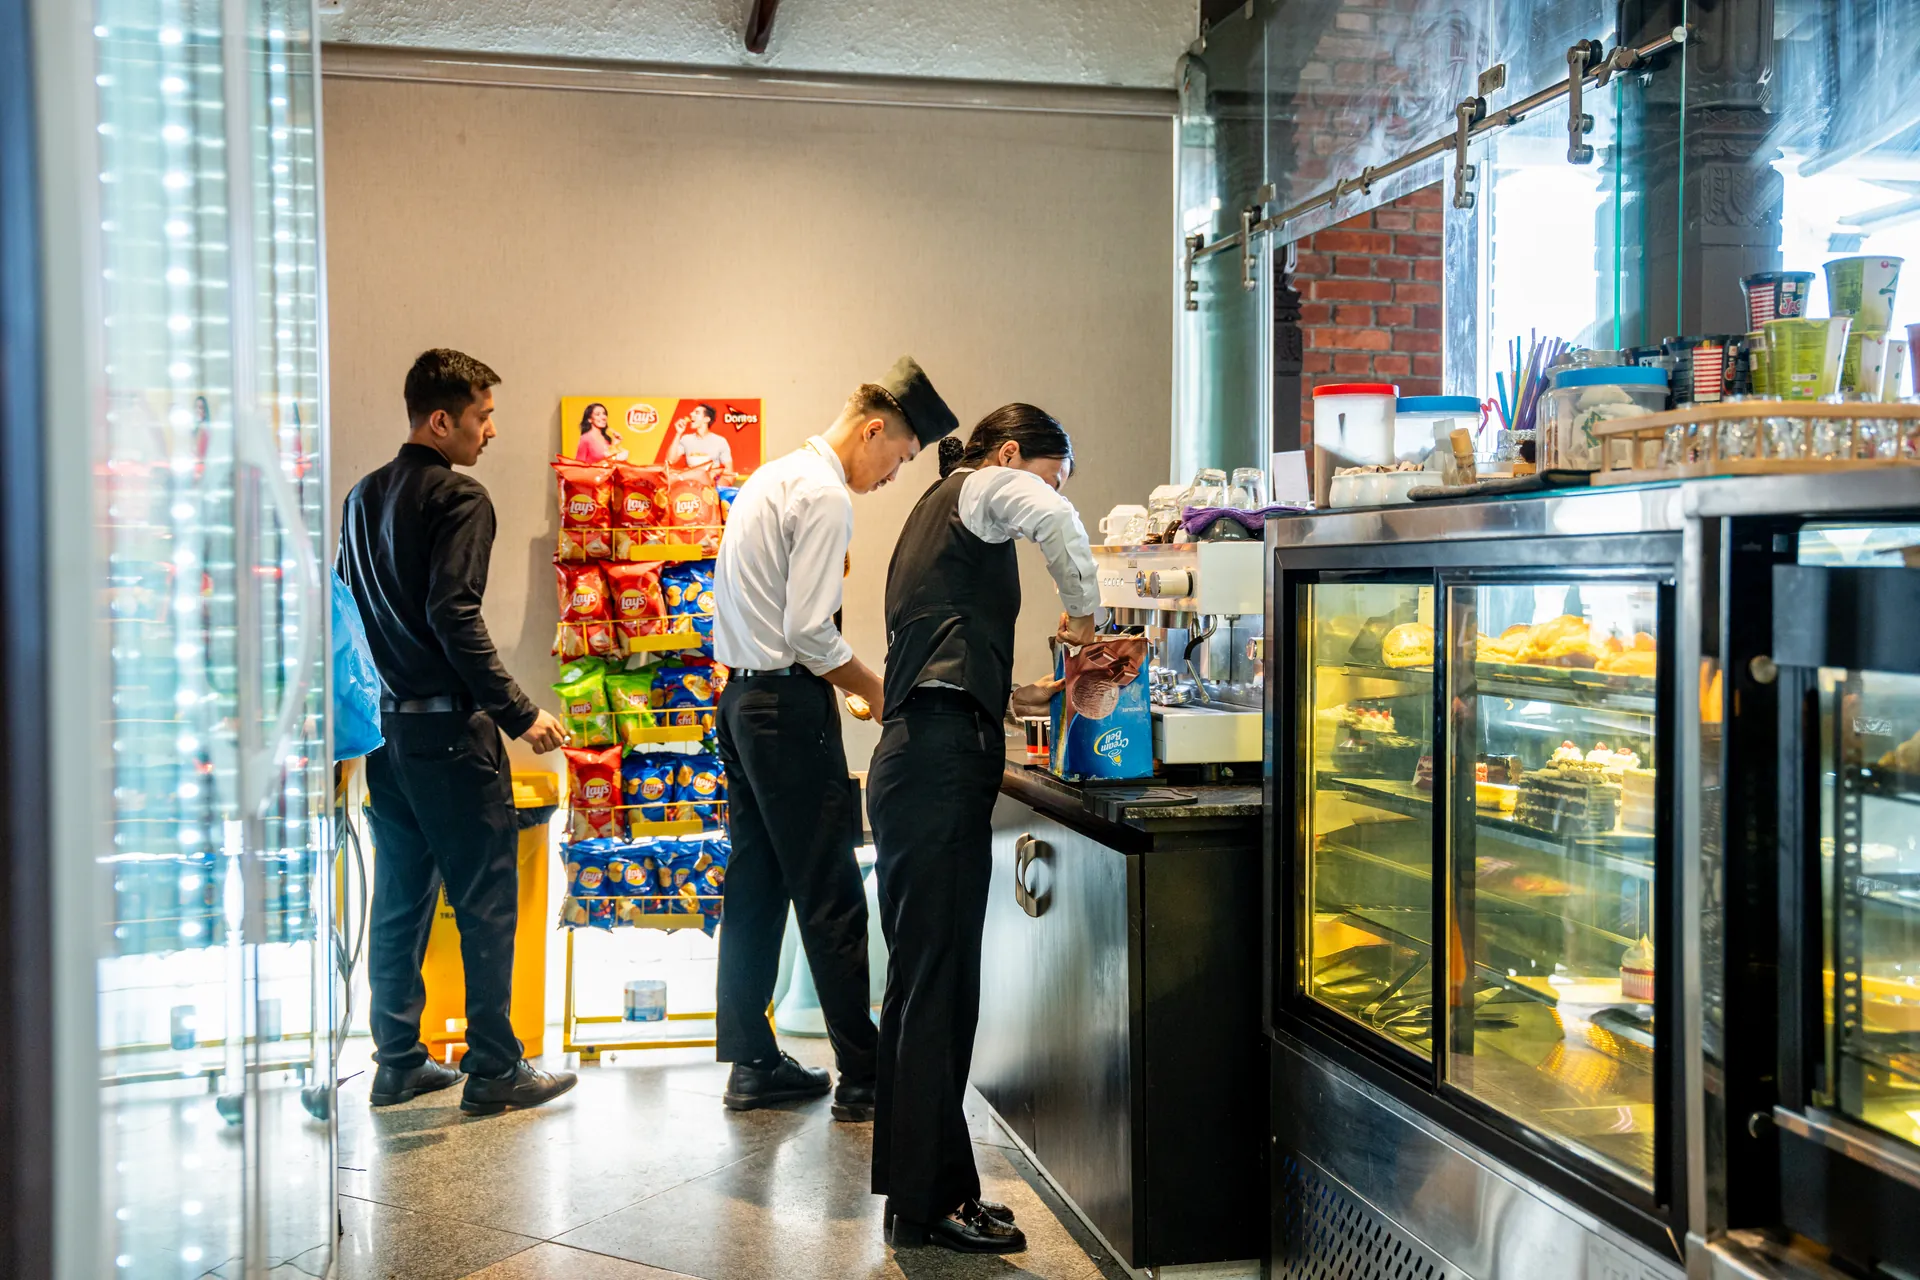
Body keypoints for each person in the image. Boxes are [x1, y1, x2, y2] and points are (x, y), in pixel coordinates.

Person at [868, 404, 1099, 1254]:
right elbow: (1059, 520)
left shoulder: (937, 512)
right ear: (1010, 454)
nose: (1046, 491)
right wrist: (1085, 622)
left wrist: (1011, 696)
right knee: (942, 992)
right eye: (1049, 470)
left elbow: (943, 646)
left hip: (918, 757)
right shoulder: (985, 484)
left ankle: (918, 1194)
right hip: (934, 767)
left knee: (921, 989)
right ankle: (933, 1205)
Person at [710, 356, 957, 1120]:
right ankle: (864, 1073)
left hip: (743, 701)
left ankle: (752, 1061)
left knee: (755, 884)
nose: (893, 477)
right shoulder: (823, 496)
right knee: (830, 888)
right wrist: (880, 693)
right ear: (873, 428)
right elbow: (810, 632)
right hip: (786, 711)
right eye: (902, 458)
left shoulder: (772, 477)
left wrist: (839, 683)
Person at [339, 348, 578, 1116]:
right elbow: (455, 613)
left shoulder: (361, 498)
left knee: (400, 898)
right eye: (482, 416)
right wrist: (520, 711)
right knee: (485, 899)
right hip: (450, 734)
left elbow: (351, 616)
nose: (492, 431)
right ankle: (495, 1068)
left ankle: (399, 1060)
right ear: (440, 420)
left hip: (386, 736)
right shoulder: (460, 498)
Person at [666, 402, 733, 471]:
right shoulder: (686, 439)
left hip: (712, 480)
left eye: (697, 412)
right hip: (691, 480)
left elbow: (729, 471)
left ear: (706, 419)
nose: (691, 414)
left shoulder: (720, 441)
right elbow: (670, 461)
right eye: (692, 412)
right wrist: (678, 433)